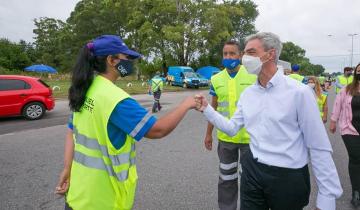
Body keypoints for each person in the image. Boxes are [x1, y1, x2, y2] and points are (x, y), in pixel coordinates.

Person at [195, 32, 342, 210]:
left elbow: (318, 146)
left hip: (288, 177)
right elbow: (232, 128)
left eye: (251, 52)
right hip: (252, 173)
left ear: (270, 54)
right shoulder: (249, 94)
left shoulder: (299, 93)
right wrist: (207, 109)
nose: (244, 58)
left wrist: (327, 199)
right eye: (245, 53)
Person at [54, 35, 197, 210]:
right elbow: (158, 130)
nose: (130, 62)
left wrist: (67, 168)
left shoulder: (85, 88)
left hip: (78, 195)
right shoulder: (116, 100)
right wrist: (186, 104)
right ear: (112, 60)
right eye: (127, 58)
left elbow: (71, 130)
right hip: (103, 200)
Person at [206, 40, 256, 210]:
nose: (228, 57)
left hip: (251, 139)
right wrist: (208, 134)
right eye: (225, 54)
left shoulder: (253, 75)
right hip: (226, 138)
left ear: (240, 55)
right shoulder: (216, 79)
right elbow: (213, 108)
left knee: (250, 181)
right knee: (226, 178)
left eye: (232, 53)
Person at [330, 63, 360, 207]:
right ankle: (356, 192)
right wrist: (333, 121)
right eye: (359, 71)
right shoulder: (347, 89)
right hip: (350, 128)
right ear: (355, 73)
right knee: (356, 158)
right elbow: (338, 104)